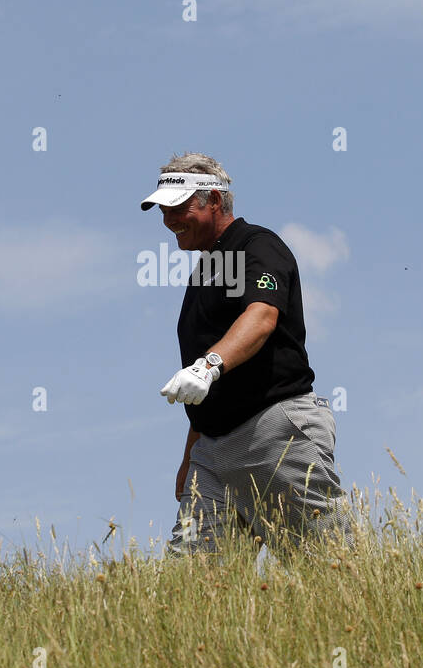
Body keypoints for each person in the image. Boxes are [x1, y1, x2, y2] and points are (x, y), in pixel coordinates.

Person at [140, 152, 354, 559]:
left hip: (273, 431)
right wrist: (192, 456)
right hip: (212, 452)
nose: (169, 221)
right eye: (163, 211)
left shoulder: (258, 245)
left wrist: (208, 365)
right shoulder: (203, 273)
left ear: (215, 201)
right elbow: (204, 390)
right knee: (192, 589)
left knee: (330, 566)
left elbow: (261, 317)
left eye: (179, 207)